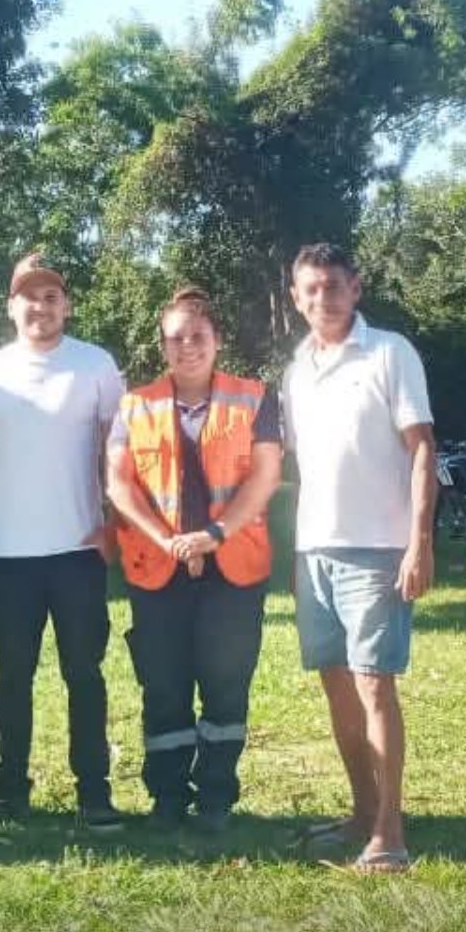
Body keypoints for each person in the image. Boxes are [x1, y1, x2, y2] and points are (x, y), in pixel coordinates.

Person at [282, 244, 436, 873]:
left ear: (356, 287)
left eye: (334, 286)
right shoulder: (295, 368)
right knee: (337, 686)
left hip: (378, 548)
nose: (324, 299)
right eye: (311, 290)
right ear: (296, 298)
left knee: (375, 686)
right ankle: (361, 809)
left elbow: (423, 449)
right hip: (313, 547)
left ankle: (390, 834)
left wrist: (419, 543)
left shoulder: (391, 352)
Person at [0, 253, 125, 830]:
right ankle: (10, 792)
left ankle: (95, 793)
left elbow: (117, 452)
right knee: (13, 678)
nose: (41, 306)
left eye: (52, 295)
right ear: (11, 307)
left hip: (79, 549)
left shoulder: (96, 365)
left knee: (84, 673)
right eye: (29, 296)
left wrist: (113, 522)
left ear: (67, 305)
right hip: (9, 555)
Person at [107, 287, 282, 831]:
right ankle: (166, 797)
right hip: (156, 567)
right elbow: (117, 482)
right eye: (176, 338)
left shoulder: (255, 396)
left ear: (217, 341)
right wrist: (166, 541)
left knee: (226, 680)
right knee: (163, 684)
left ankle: (215, 797)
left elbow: (265, 476)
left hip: (234, 563)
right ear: (163, 345)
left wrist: (213, 534)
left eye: (198, 337)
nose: (188, 347)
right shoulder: (134, 405)